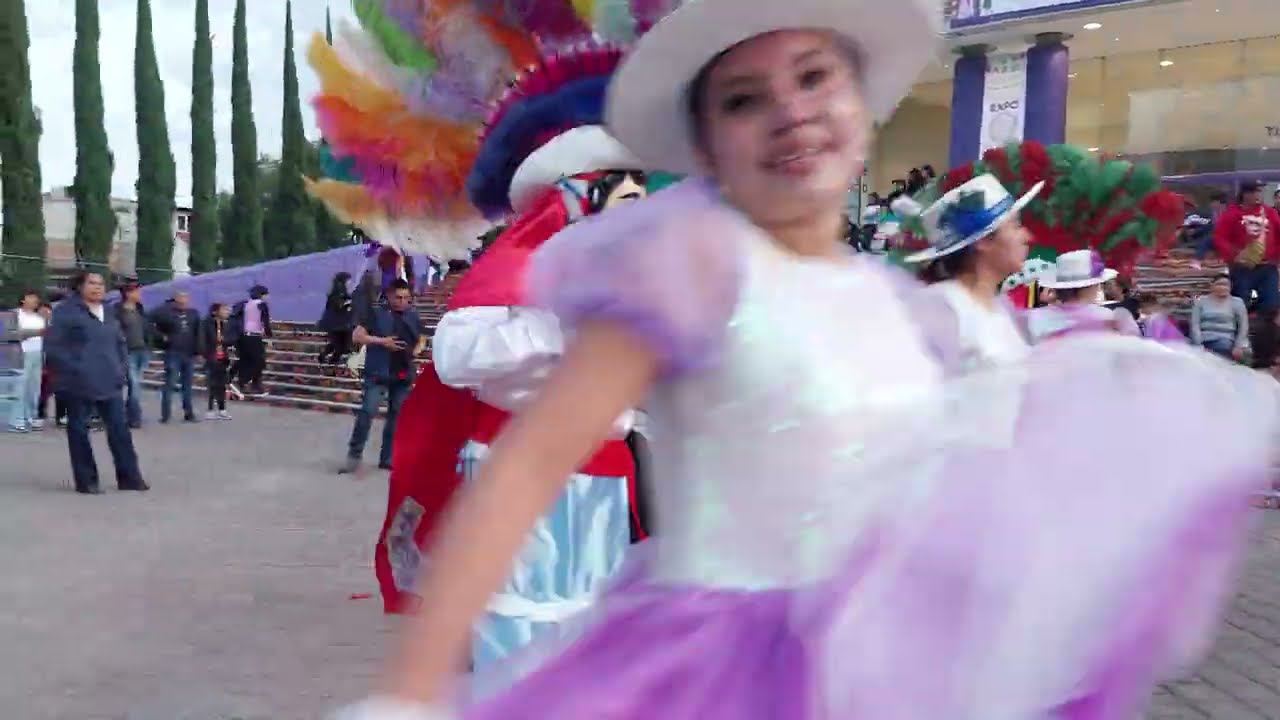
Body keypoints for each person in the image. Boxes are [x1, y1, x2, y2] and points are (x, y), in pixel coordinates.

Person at [337, 2, 1278, 719]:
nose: (790, 111)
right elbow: (527, 467)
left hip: (878, 668)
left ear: (861, 105)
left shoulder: (890, 300)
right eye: (744, 99)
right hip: (724, 676)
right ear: (709, 146)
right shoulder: (694, 260)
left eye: (815, 76)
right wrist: (412, 691)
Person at [900, 173, 1040, 371]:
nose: (1027, 236)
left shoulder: (1002, 307)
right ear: (984, 242)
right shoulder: (942, 307)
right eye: (1015, 226)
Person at [45, 272, 147, 494]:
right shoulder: (65, 312)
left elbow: (120, 342)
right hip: (78, 382)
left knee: (120, 430)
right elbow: (54, 348)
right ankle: (87, 481)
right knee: (79, 431)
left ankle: (129, 478)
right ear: (79, 286)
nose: (97, 287)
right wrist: (76, 369)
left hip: (110, 380)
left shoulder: (109, 311)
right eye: (91, 283)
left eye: (100, 284)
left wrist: (121, 368)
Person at [339, 279, 425, 474]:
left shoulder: (412, 316)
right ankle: (354, 457)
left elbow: (421, 337)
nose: (402, 302)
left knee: (396, 417)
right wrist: (382, 341)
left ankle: (388, 458)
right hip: (378, 372)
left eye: (406, 298)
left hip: (403, 373)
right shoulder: (376, 314)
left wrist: (417, 349)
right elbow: (357, 336)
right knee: (367, 412)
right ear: (389, 296)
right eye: (398, 297)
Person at [1212, 180, 1280, 366]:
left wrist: (1275, 256)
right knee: (1239, 305)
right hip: (1242, 268)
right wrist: (1235, 254)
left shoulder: (1270, 213)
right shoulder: (1232, 214)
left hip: (1267, 267)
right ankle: (1237, 347)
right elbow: (1219, 238)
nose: (1258, 195)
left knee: (1271, 306)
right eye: (1255, 191)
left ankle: (1265, 351)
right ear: (1245, 193)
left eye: (1260, 191)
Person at [151, 291, 202, 423]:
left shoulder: (193, 314)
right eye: (180, 299)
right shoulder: (166, 313)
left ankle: (188, 413)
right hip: (173, 352)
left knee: (187, 385)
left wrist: (199, 351)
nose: (183, 302)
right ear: (175, 300)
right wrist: (161, 337)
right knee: (170, 383)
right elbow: (150, 323)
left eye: (185, 299)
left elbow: (198, 332)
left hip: (189, 353)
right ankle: (166, 414)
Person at [7, 289, 46, 433]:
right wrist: (34, 332)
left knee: (33, 389)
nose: (35, 300)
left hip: (37, 354)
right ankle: (15, 421)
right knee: (19, 389)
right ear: (23, 299)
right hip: (20, 354)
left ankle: (29, 417)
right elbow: (11, 334)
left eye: (36, 298)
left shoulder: (39, 317)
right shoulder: (15, 314)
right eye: (31, 297)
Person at [1189, 274, 1249, 360]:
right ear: (1212, 286)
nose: (1222, 287)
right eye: (1219, 284)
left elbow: (1243, 326)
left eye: (1226, 285)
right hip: (1203, 339)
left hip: (1225, 339)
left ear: (1230, 287)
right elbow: (1195, 324)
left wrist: (1238, 345)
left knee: (1221, 349)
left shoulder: (1237, 302)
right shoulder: (1200, 300)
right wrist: (1198, 344)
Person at [117, 281, 151, 428]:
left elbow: (146, 328)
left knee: (135, 385)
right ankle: (134, 416)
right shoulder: (118, 311)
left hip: (142, 350)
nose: (140, 294)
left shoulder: (140, 309)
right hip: (128, 352)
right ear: (128, 294)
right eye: (137, 292)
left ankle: (129, 413)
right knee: (134, 384)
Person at [229, 285, 271, 397]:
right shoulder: (262, 305)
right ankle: (253, 384)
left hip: (242, 336)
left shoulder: (245, 304)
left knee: (245, 360)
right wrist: (269, 335)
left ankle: (238, 381)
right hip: (254, 336)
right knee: (259, 361)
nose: (268, 297)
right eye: (266, 294)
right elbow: (265, 322)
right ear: (262, 295)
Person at [202, 302, 237, 420]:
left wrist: (224, 340)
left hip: (223, 358)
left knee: (221, 385)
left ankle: (222, 410)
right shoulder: (206, 324)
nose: (227, 312)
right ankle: (210, 410)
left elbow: (232, 339)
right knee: (212, 384)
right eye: (224, 310)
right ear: (215, 312)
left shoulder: (225, 325)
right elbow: (203, 340)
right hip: (211, 357)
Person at [318, 271, 354, 365]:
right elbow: (338, 305)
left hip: (338, 324)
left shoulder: (339, 291)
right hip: (337, 324)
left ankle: (328, 359)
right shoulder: (337, 292)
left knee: (339, 344)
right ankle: (330, 359)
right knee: (339, 345)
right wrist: (349, 303)